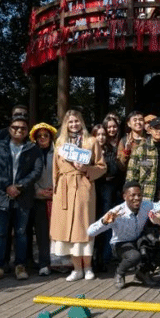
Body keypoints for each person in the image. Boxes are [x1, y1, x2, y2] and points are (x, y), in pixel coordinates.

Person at [0, 114, 43, 282]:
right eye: (15, 127)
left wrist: (19, 186)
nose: (19, 130)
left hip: (23, 196)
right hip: (1, 196)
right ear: (9, 129)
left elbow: (36, 171)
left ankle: (20, 266)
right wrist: (6, 186)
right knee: (0, 233)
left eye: (23, 128)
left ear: (27, 131)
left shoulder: (33, 148)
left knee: (21, 233)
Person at [51, 110, 106, 281]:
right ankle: (76, 269)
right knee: (67, 229)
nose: (74, 124)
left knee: (84, 227)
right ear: (65, 124)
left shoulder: (91, 141)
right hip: (64, 188)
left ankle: (88, 267)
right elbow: (55, 169)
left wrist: (86, 169)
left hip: (83, 185)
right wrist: (55, 189)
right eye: (70, 122)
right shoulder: (60, 143)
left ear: (82, 122)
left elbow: (102, 167)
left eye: (76, 121)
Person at [87, 181, 154, 289]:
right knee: (134, 256)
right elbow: (90, 232)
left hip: (137, 240)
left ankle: (141, 273)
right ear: (124, 196)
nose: (137, 198)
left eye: (139, 195)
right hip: (121, 244)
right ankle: (119, 273)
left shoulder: (147, 205)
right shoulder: (116, 212)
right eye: (132, 195)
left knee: (158, 245)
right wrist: (104, 222)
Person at [126, 117, 160, 201]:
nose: (159, 131)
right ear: (150, 130)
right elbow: (131, 175)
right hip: (146, 196)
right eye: (156, 128)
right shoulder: (140, 150)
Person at [92, 123, 120, 272]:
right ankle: (92, 258)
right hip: (91, 191)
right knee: (92, 225)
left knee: (106, 224)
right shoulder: (88, 151)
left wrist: (101, 170)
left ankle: (104, 259)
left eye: (103, 134)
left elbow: (114, 170)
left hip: (108, 192)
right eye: (98, 134)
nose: (101, 137)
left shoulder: (111, 151)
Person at [29, 122, 56, 276]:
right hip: (38, 197)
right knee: (42, 232)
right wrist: (38, 190)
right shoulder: (31, 153)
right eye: (39, 136)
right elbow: (28, 174)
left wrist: (56, 190)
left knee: (58, 231)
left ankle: (59, 262)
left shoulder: (58, 152)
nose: (43, 138)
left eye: (46, 135)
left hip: (57, 197)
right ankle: (44, 263)